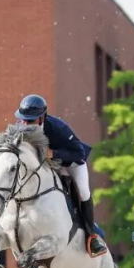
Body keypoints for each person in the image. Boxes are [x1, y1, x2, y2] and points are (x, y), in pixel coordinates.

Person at [14, 94, 108, 258]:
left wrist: (54, 153)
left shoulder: (58, 128)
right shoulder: (19, 128)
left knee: (84, 192)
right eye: (24, 120)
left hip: (71, 163)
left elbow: (78, 153)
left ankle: (92, 236)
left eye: (31, 121)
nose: (26, 124)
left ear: (42, 118)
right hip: (46, 167)